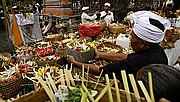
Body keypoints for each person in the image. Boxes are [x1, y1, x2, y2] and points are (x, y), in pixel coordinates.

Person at [67, 11, 171, 82]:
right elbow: (127, 56)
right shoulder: (156, 50)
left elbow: (101, 70)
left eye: (133, 37)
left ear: (143, 43)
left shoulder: (138, 62)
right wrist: (100, 54)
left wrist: (75, 62)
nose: (130, 39)